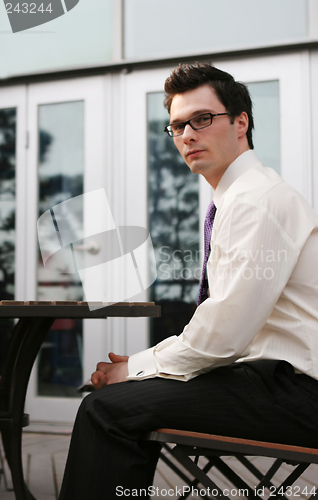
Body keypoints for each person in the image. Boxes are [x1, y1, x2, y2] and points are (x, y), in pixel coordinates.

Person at [59, 63, 318, 499]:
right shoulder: (238, 197)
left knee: (106, 410)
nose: (187, 135)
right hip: (270, 379)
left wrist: (135, 369)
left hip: (299, 392)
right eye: (177, 126)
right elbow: (222, 330)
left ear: (241, 123)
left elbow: (223, 336)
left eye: (202, 119)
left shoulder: (258, 201)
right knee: (122, 399)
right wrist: (144, 366)